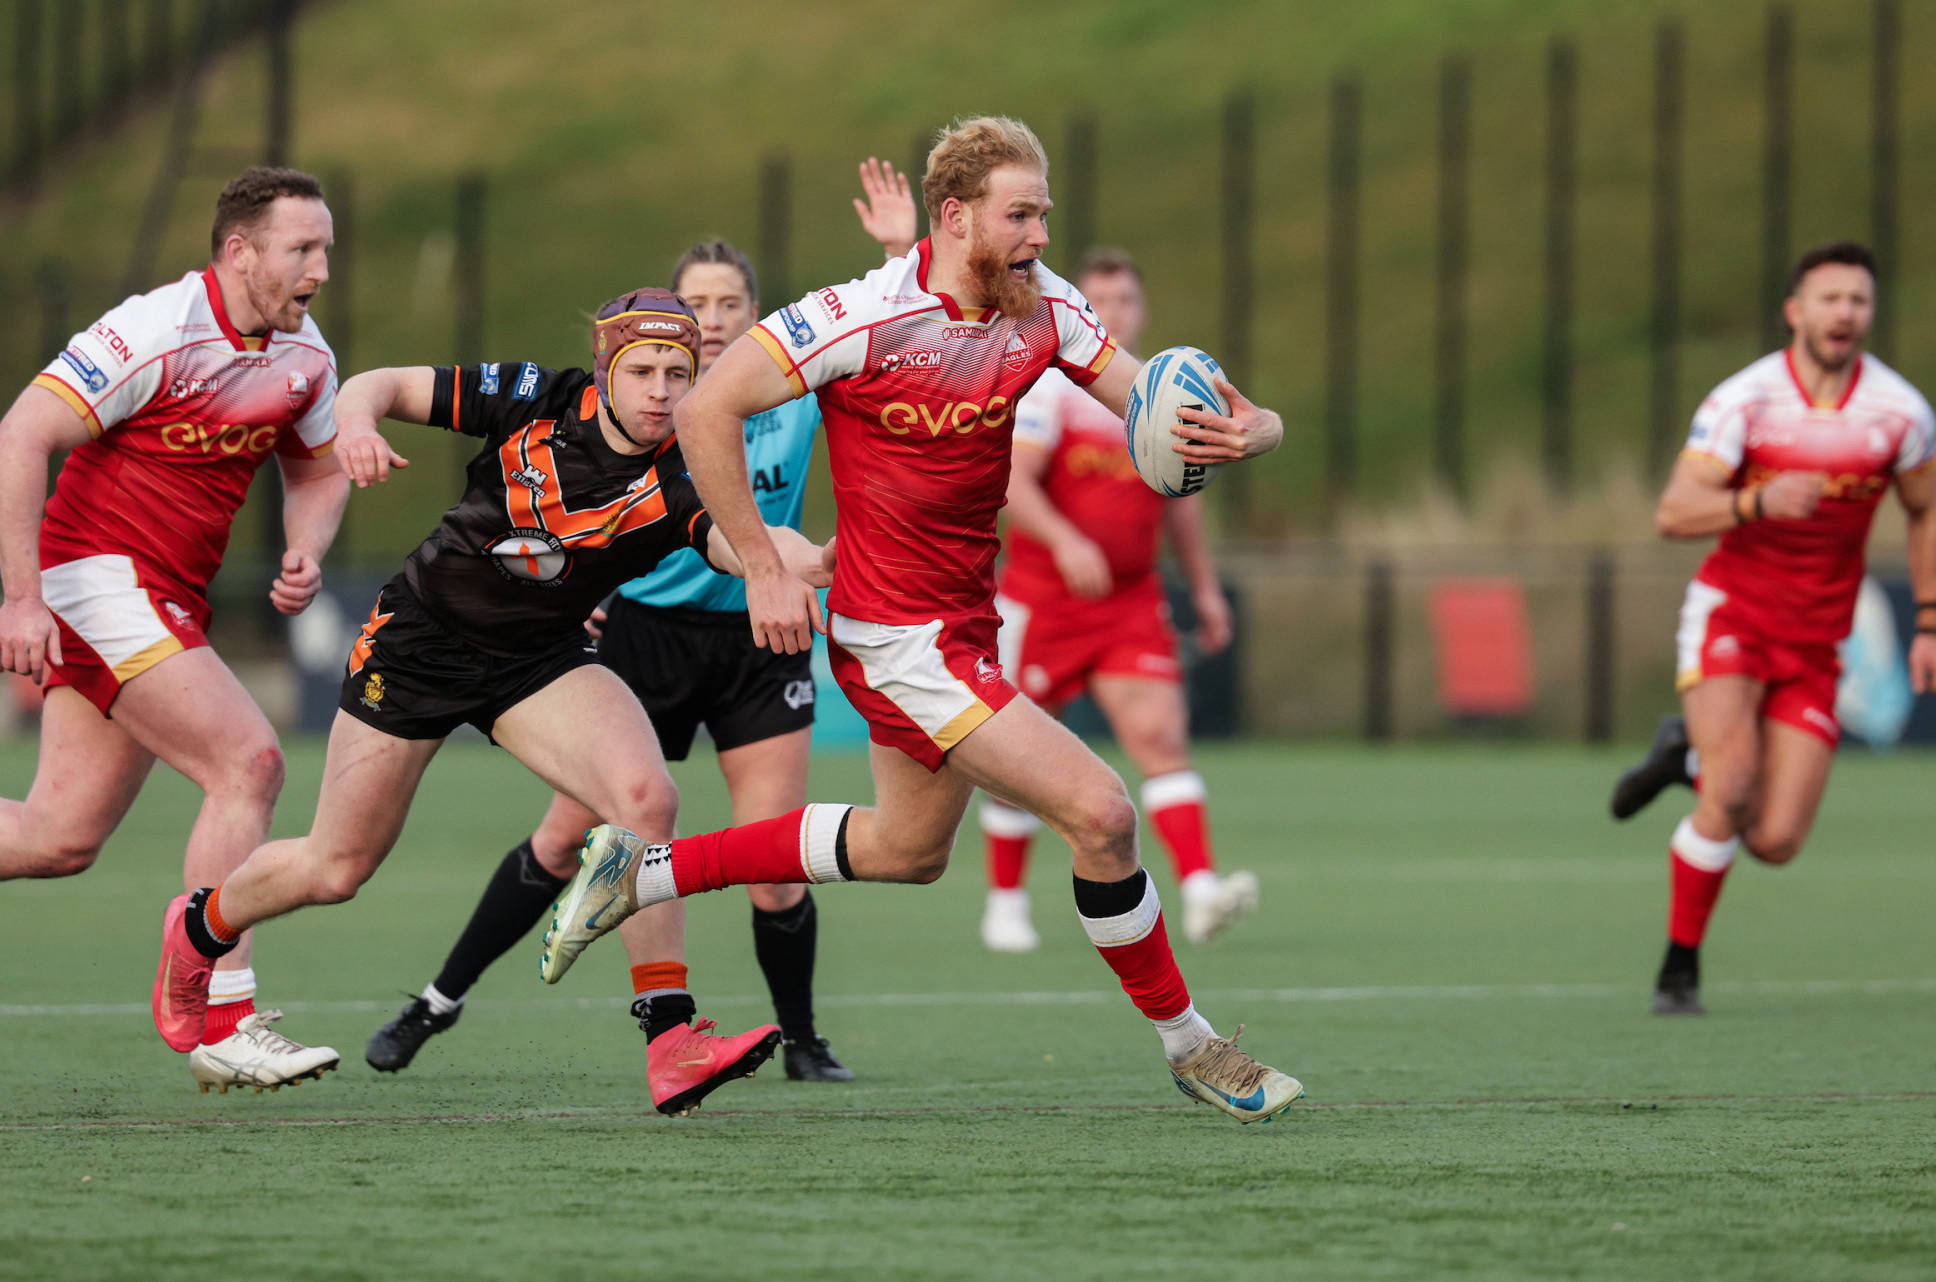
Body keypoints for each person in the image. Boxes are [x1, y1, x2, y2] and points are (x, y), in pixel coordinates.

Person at [542, 116, 1305, 1124]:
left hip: (962, 622)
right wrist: (765, 566)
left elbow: (1142, 395)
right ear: (955, 217)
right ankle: (1193, 1045)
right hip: (898, 634)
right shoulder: (858, 317)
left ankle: (648, 869)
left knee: (908, 850)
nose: (1039, 233)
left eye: (1043, 212)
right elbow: (704, 410)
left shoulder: (1044, 307)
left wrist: (1252, 427)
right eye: (1019, 214)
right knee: (1105, 812)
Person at [149, 289, 833, 1116]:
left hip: (537, 661)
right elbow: (378, 386)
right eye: (644, 371)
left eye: (680, 374)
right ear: (609, 369)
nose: (662, 391)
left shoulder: (688, 470)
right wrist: (356, 429)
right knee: (336, 868)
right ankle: (197, 930)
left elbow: (747, 540)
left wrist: (810, 561)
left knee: (646, 799)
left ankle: (670, 1039)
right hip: (419, 647)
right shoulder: (536, 397)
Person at [366, 163, 920, 1084]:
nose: (710, 318)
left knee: (776, 861)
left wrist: (902, 252)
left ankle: (803, 1042)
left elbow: (886, 341)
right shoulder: (646, 409)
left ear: (756, 316)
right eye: (695, 302)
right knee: (563, 842)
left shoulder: (786, 391)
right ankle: (437, 1000)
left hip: (752, 642)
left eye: (730, 302)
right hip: (641, 638)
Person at [0, 166, 348, 1093]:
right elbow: (21, 434)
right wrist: (22, 598)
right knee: (249, 762)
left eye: (326, 248)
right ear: (238, 251)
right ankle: (221, 1011)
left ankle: (216, 1005)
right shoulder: (156, 330)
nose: (319, 269)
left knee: (56, 836)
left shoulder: (306, 354)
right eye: (300, 249)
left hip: (162, 598)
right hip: (98, 578)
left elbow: (317, 467)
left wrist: (307, 547)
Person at [1608, 241, 1936, 1014]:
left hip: (1820, 641)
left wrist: (1929, 619)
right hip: (1733, 619)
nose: (1844, 313)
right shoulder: (1744, 402)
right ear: (1797, 311)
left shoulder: (1901, 413)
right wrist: (1756, 501)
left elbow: (1924, 512)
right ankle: (1678, 971)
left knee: (1777, 840)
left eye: (1857, 300)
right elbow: (1673, 512)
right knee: (1733, 788)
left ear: (1869, 314)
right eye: (1829, 299)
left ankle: (1681, 760)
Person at [977, 246, 1257, 953]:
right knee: (1016, 758)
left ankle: (1199, 892)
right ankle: (1005, 904)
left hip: (1132, 601)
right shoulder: (1050, 388)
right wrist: (1068, 542)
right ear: (1077, 308)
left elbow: (1182, 503)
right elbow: (1015, 484)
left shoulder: (1167, 392)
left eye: (1125, 300)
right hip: (1045, 603)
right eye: (1098, 300)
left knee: (1161, 735)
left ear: (1143, 309)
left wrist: (1202, 589)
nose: (1113, 313)